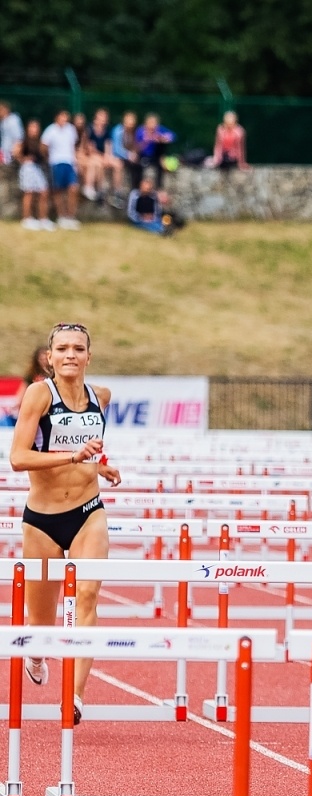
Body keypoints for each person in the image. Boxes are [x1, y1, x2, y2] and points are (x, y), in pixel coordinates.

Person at [7, 324, 122, 725]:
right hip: (42, 521)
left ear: (89, 356)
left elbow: (88, 450)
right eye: (62, 349)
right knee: (40, 620)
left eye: (78, 349)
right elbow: (18, 458)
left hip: (89, 511)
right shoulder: (40, 395)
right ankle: (38, 653)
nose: (70, 354)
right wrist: (73, 457)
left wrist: (100, 466)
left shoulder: (101, 397)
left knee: (87, 595)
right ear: (50, 357)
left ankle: (73, 696)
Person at [40, 110, 80, 230]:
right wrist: (48, 158)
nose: (64, 119)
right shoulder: (50, 130)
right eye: (62, 116)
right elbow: (43, 146)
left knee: (73, 189)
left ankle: (70, 216)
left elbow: (74, 145)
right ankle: (61, 216)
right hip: (56, 162)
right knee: (58, 191)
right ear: (56, 117)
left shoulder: (71, 129)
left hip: (70, 162)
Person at [17, 121, 51, 231]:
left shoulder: (40, 142)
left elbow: (44, 155)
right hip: (28, 168)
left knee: (44, 192)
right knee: (29, 192)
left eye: (36, 127)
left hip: (37, 168)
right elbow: (17, 153)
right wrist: (23, 160)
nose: (34, 130)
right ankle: (27, 218)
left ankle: (43, 219)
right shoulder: (23, 141)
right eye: (32, 127)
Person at [80, 109, 113, 202]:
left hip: (100, 156)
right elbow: (89, 148)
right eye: (101, 116)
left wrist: (107, 156)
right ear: (96, 117)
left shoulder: (107, 131)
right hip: (90, 155)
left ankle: (100, 190)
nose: (103, 119)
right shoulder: (89, 129)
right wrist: (101, 156)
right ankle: (89, 187)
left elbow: (108, 146)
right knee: (95, 162)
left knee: (102, 163)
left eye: (105, 117)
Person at [135, 113, 175, 188]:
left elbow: (172, 136)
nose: (152, 126)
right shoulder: (141, 131)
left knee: (161, 146)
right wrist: (148, 140)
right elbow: (138, 146)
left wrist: (163, 138)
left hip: (156, 156)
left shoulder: (159, 130)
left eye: (154, 123)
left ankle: (159, 187)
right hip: (143, 155)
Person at [109, 111, 139, 201]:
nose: (130, 125)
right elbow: (116, 149)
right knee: (119, 165)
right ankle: (117, 192)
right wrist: (129, 155)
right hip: (116, 156)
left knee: (138, 165)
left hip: (128, 157)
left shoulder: (133, 132)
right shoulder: (118, 131)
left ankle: (136, 191)